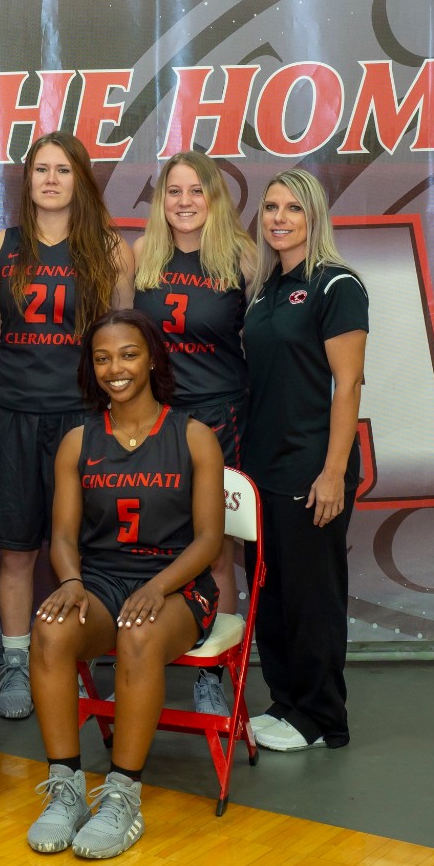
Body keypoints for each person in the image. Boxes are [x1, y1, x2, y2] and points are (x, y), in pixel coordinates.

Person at [26, 309, 224, 859]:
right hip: (101, 580)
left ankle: (122, 795)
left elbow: (209, 539)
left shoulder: (193, 436)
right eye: (103, 358)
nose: (116, 368)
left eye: (129, 354)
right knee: (50, 628)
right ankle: (66, 788)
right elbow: (62, 536)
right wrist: (71, 579)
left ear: (153, 358)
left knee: (138, 634)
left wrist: (158, 587)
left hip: (178, 584)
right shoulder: (78, 440)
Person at [0, 131, 135, 720]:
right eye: (41, 169)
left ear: (81, 180)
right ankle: (16, 665)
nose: (51, 180)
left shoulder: (109, 249)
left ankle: (79, 658)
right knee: (18, 550)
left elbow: (122, 341)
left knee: (84, 551)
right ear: (27, 180)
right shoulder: (2, 246)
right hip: (14, 413)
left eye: (63, 170)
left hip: (83, 419)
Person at [241, 169, 368, 752]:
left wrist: (333, 472)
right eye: (271, 207)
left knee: (312, 597)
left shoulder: (338, 285)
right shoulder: (265, 287)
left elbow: (349, 384)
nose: (279, 218)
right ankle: (287, 702)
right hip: (261, 467)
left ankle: (322, 719)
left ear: (315, 216)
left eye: (293, 208)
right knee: (272, 594)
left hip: (312, 466)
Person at [131, 151, 255, 716]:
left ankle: (212, 673)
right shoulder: (143, 255)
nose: (184, 202)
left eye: (196, 190)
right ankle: (141, 656)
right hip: (157, 421)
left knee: (216, 544)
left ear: (215, 197)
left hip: (220, 415)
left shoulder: (242, 257)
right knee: (151, 538)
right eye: (174, 192)